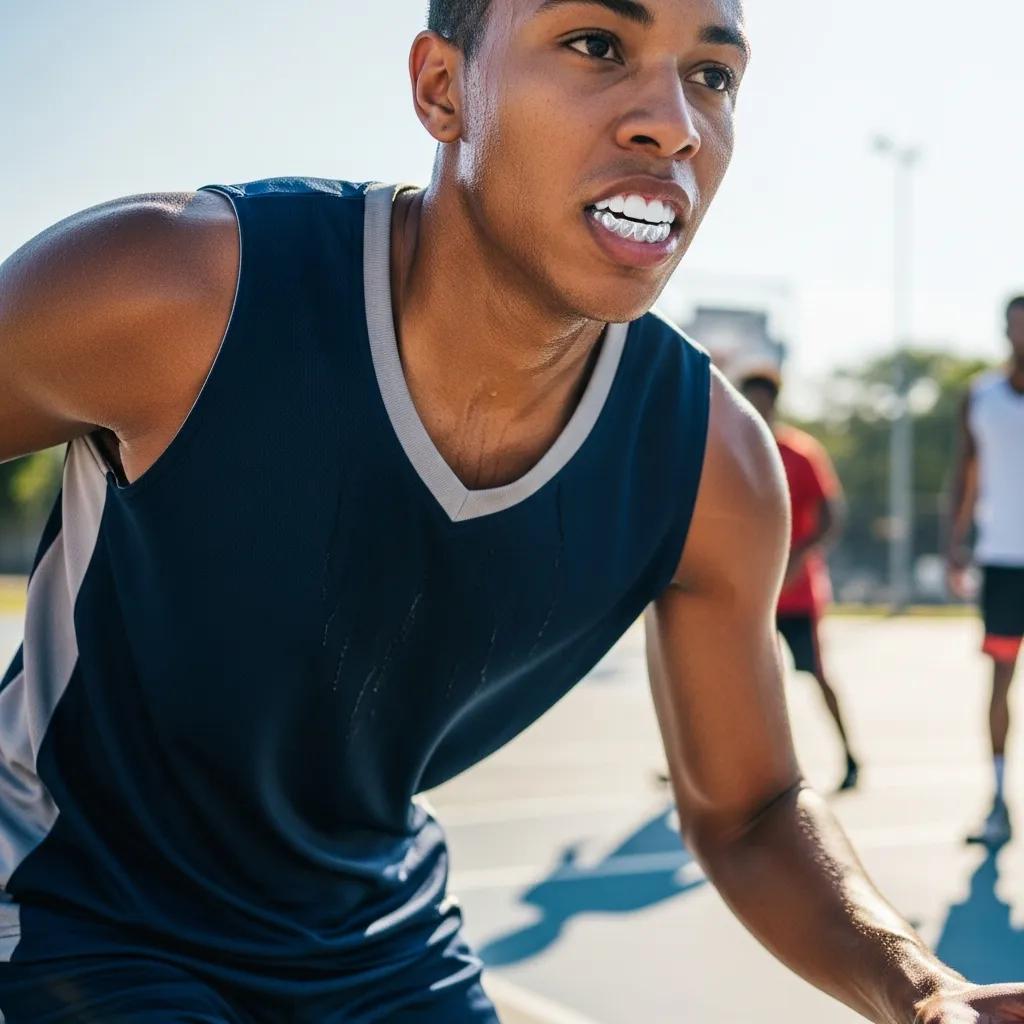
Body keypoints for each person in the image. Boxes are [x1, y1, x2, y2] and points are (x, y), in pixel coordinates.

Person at [1, 1, 1022, 1021]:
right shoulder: (177, 285)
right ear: (443, 90)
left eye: (711, 76)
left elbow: (750, 809)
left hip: (373, 938)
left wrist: (919, 989)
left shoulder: (709, 461)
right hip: (71, 903)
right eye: (596, 45)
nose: (671, 121)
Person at [736, 361, 860, 793]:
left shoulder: (800, 453)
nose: (755, 408)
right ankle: (708, 765)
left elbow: (830, 516)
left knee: (815, 674)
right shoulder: (731, 450)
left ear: (773, 404)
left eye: (762, 402)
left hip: (795, 594)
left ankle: (850, 757)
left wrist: (795, 560)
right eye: (747, 401)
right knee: (732, 678)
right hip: (747, 592)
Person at [948, 295, 1024, 849]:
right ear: (1005, 330)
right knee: (1000, 681)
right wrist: (955, 543)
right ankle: (998, 801)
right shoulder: (981, 395)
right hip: (1002, 563)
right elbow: (965, 473)